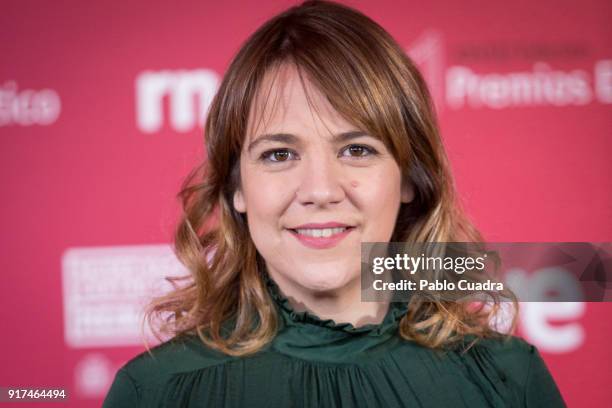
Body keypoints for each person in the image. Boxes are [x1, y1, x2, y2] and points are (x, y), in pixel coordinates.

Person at [102, 1, 566, 407]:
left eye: (356, 150)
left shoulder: (508, 380)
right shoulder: (155, 392)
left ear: (408, 177)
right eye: (278, 154)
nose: (321, 190)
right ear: (236, 189)